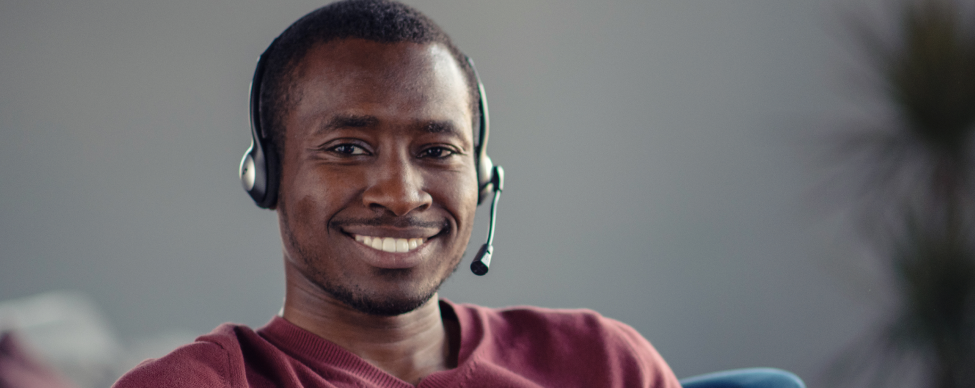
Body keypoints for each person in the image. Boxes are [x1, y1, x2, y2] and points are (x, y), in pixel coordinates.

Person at [111, 1, 681, 386]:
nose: (401, 195)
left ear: (482, 178)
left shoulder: (602, 361)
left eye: (437, 151)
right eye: (348, 148)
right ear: (268, 174)